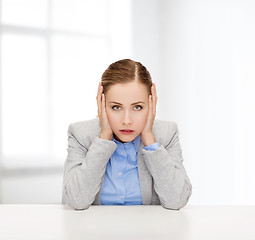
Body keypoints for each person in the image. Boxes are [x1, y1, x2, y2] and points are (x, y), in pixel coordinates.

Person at [62, 59, 192, 210]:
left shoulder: (166, 134)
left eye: (137, 107)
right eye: (116, 107)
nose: (127, 121)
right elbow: (76, 201)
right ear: (101, 104)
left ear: (151, 104)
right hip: (94, 230)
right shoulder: (81, 134)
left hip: (151, 231)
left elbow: (177, 200)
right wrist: (104, 138)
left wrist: (150, 140)